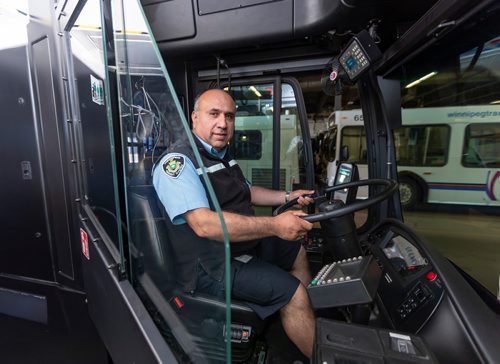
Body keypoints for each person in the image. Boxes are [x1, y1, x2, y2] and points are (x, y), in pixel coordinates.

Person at [153, 89, 316, 358]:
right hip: (210, 266)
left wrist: (289, 196)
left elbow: (247, 191)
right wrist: (275, 225)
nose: (223, 123)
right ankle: (309, 338)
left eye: (229, 116)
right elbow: (205, 225)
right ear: (195, 118)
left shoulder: (221, 155)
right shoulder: (178, 163)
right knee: (295, 293)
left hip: (236, 248)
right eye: (214, 114)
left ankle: (298, 321)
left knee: (295, 249)